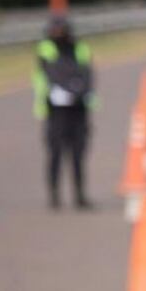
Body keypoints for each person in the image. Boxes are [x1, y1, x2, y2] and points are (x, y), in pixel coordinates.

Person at [32, 16, 96, 209]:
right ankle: (54, 196)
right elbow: (52, 74)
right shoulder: (45, 49)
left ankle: (80, 195)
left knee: (78, 154)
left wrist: (77, 91)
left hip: (78, 109)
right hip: (55, 111)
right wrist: (72, 86)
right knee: (56, 154)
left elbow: (87, 74)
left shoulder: (80, 48)